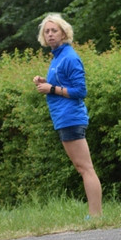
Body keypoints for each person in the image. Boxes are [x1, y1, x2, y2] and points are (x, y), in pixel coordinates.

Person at [32, 14, 102, 219]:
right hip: (63, 118)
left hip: (71, 117)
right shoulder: (57, 57)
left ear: (64, 33)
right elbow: (63, 84)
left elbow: (80, 91)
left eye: (55, 31)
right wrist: (45, 82)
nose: (51, 34)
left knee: (85, 168)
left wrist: (51, 88)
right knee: (83, 167)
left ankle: (95, 216)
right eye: (47, 31)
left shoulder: (70, 57)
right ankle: (95, 215)